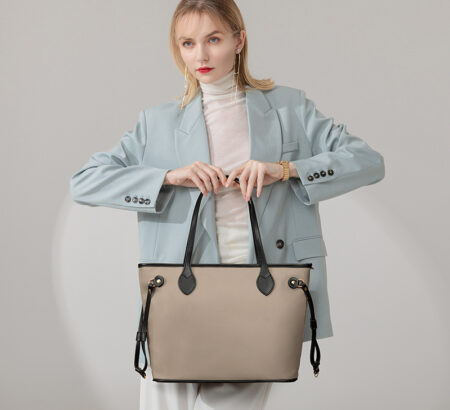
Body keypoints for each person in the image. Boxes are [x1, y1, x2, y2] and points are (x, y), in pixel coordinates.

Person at [69, 1, 385, 408]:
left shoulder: (289, 108)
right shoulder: (157, 122)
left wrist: (284, 170)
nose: (200, 55)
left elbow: (368, 162)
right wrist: (168, 177)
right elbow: (85, 182)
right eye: (187, 43)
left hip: (263, 290)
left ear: (239, 40)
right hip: (179, 295)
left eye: (213, 39)